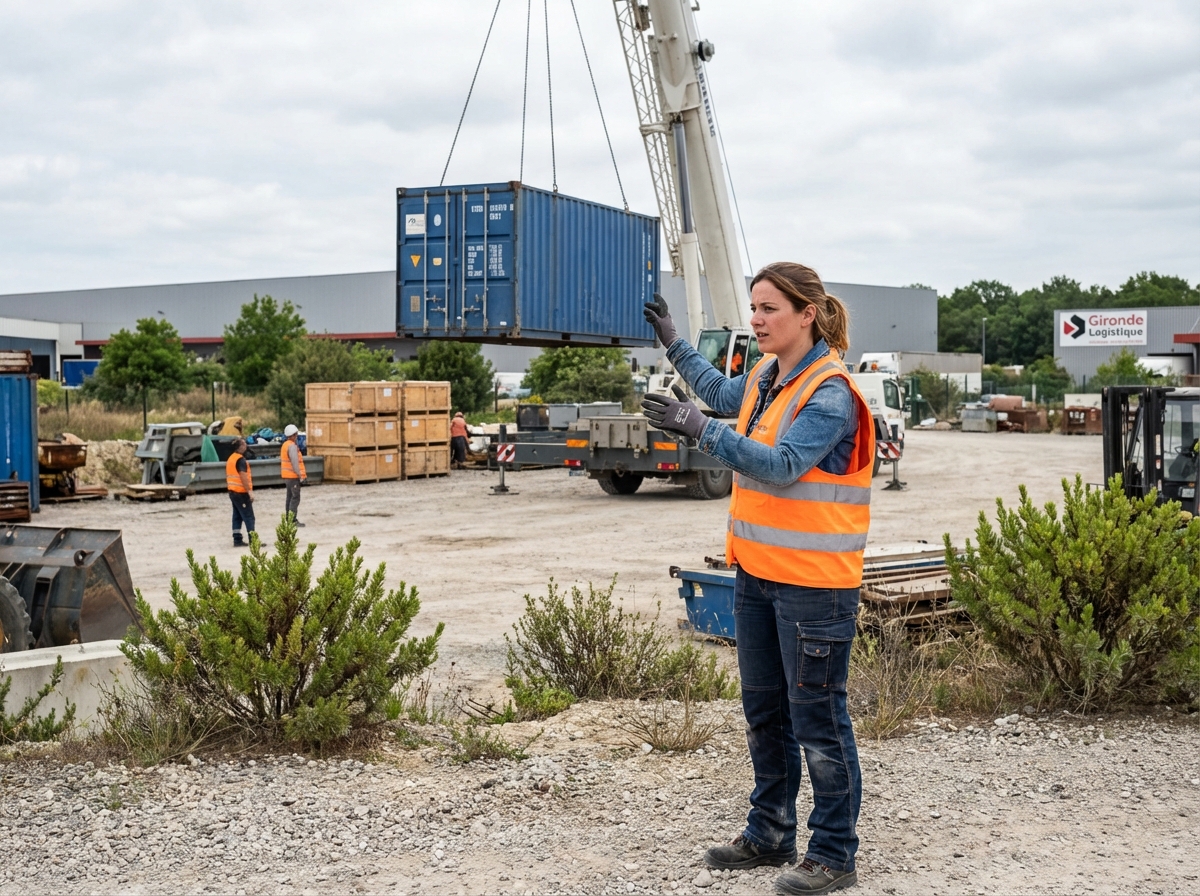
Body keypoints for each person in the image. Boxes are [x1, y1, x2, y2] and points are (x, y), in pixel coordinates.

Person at [641, 262, 873, 896]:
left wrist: (699, 430)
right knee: (765, 711)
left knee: (819, 718)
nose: (757, 319)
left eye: (770, 308)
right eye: (754, 307)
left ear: (807, 315)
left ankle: (833, 854)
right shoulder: (769, 378)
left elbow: (781, 465)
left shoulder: (829, 392)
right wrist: (673, 341)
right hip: (759, 575)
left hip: (815, 586)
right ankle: (770, 831)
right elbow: (720, 391)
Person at [225, 438, 256, 547]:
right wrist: (250, 492)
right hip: (241, 492)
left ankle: (237, 539)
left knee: (237, 516)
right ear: (240, 447)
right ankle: (253, 541)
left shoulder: (231, 458)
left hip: (232, 491)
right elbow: (243, 477)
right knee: (249, 516)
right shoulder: (240, 460)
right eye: (244, 444)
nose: (246, 445)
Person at [281, 424, 307, 526]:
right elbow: (295, 463)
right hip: (293, 477)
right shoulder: (292, 446)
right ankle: (292, 521)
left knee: (289, 497)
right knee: (295, 498)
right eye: (296, 434)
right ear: (293, 434)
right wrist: (300, 476)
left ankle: (288, 519)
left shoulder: (285, 445)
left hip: (287, 476)